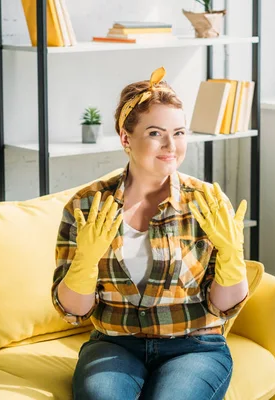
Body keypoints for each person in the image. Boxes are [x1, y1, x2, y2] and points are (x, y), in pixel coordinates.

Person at [51, 66, 249, 400]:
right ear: (126, 138)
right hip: (114, 345)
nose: (171, 145)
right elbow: (74, 312)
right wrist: (84, 261)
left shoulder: (207, 203)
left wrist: (232, 257)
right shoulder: (85, 207)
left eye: (180, 132)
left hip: (195, 345)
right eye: (156, 133)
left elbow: (222, 307)